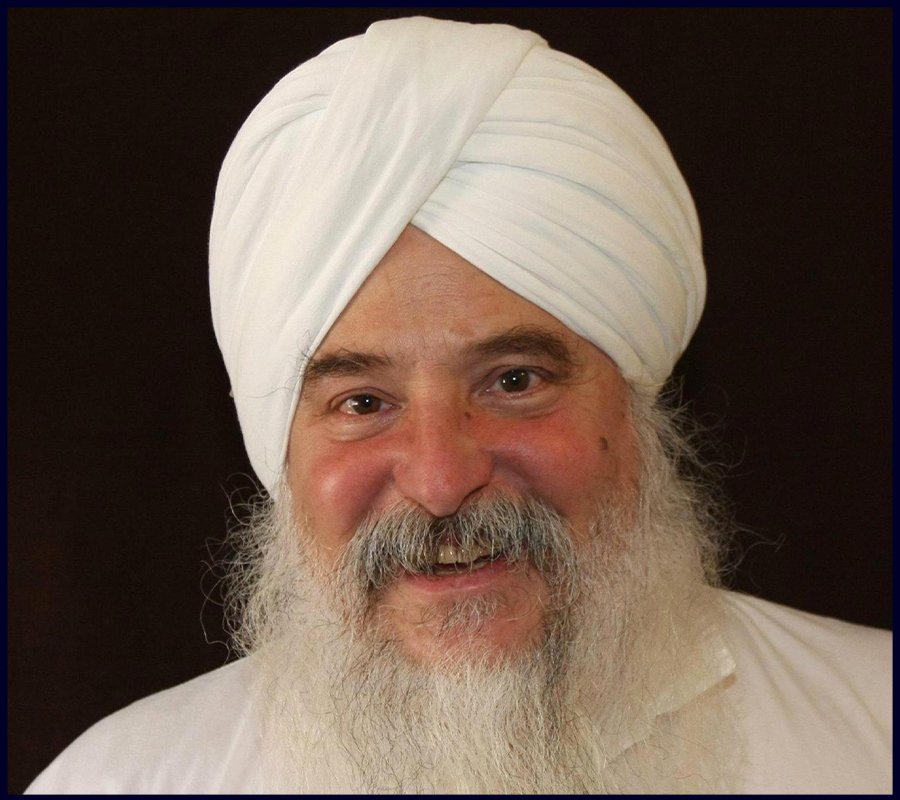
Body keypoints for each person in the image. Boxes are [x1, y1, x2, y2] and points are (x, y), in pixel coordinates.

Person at [25, 16, 891, 794]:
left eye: (514, 381)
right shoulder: (120, 783)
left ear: (639, 411)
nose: (440, 480)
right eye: (364, 401)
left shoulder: (875, 729)